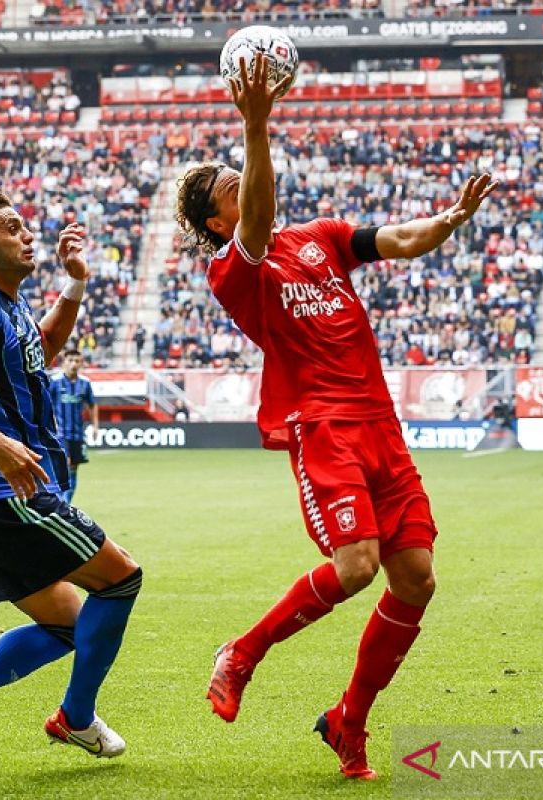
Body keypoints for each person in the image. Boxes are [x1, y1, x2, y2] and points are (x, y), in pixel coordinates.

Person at [174, 54, 497, 781]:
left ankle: (348, 722)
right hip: (322, 427)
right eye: (232, 188)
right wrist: (255, 123)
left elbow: (401, 241)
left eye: (241, 175)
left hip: (381, 427)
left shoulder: (320, 237)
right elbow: (258, 213)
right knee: (356, 567)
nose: (247, 189)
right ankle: (243, 651)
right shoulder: (235, 267)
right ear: (217, 219)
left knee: (415, 578)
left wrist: (450, 217)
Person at [0, 190, 142, 771]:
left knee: (68, 626)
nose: (28, 234)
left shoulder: (8, 308)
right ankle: (77, 717)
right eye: (13, 228)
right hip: (10, 495)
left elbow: (44, 346)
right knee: (120, 580)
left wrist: (75, 284)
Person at [48, 349, 98, 503]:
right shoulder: (55, 382)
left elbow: (92, 404)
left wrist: (96, 425)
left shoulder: (85, 383)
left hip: (77, 433)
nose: (74, 364)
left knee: (74, 468)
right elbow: (46, 403)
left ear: (81, 363)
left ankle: (66, 502)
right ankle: (61, 501)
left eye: (77, 361)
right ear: (64, 362)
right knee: (66, 464)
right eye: (70, 360)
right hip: (60, 433)